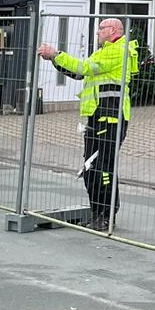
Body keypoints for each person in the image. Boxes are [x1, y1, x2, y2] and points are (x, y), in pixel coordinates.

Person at [38, 17, 138, 230]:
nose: (97, 32)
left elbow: (84, 68)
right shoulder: (103, 51)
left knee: (104, 168)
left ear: (113, 30)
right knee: (90, 166)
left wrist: (56, 54)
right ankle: (96, 212)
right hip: (95, 115)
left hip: (111, 116)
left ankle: (106, 214)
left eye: (101, 28)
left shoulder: (118, 50)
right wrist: (55, 61)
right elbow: (78, 73)